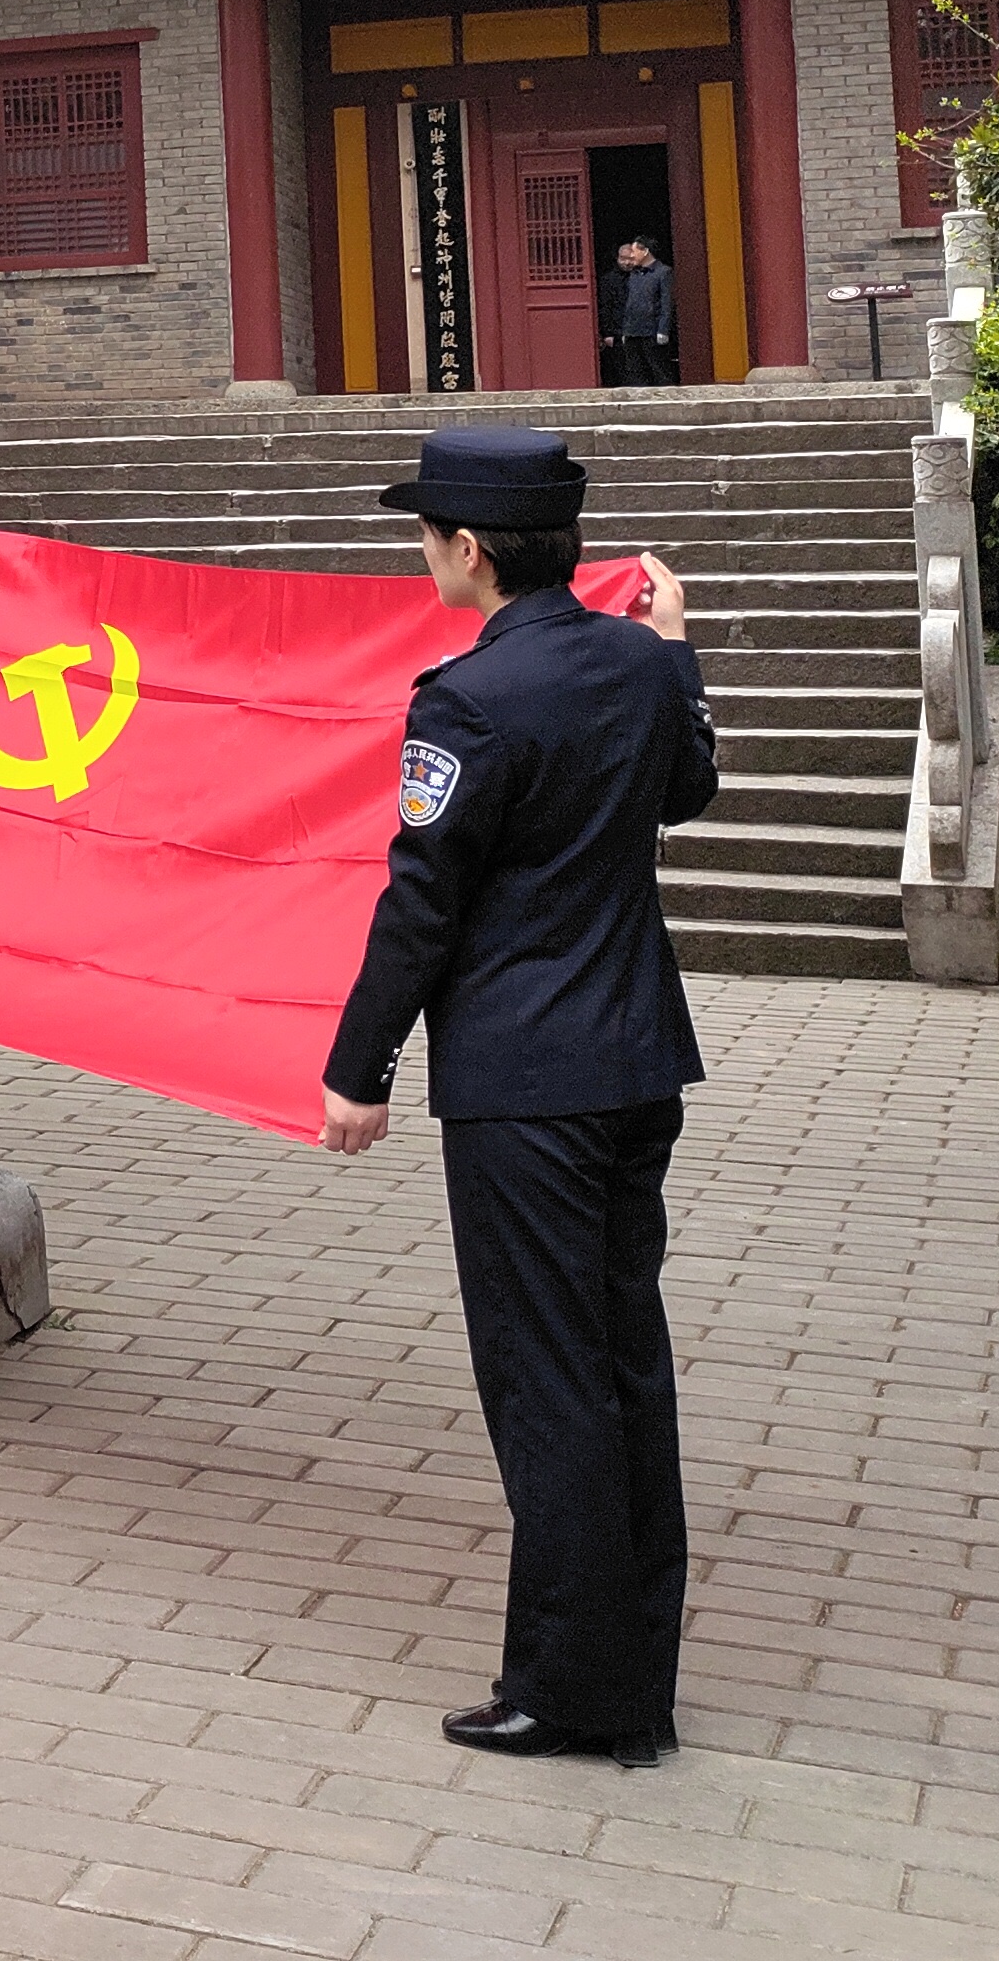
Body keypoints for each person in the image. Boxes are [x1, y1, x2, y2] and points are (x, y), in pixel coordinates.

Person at [319, 424, 711, 1767]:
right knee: (623, 1368)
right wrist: (677, 646)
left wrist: (356, 1066)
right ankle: (631, 1678)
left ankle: (568, 1688)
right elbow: (690, 790)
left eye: (428, 532)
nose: (424, 550)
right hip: (635, 1063)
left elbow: (422, 901)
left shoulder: (469, 698)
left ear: (471, 551)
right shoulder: (639, 666)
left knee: (547, 1387)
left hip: (521, 1089)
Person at [605, 239, 678, 388]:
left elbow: (666, 303)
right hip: (632, 330)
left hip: (651, 330)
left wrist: (663, 329)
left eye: (634, 252)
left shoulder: (663, 272)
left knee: (658, 369)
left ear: (645, 252)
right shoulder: (634, 274)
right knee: (635, 372)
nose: (631, 256)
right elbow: (629, 304)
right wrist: (624, 330)